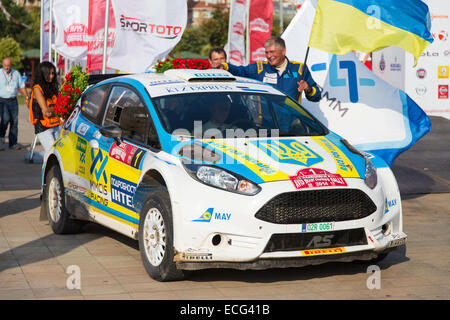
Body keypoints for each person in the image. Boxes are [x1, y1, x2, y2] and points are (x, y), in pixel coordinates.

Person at [222, 36, 321, 103]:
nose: (269, 56)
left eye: (272, 52)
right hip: (267, 126)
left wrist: (308, 89)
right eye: (267, 52)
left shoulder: (300, 69)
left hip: (293, 126)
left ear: (283, 51)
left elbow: (317, 96)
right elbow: (240, 71)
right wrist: (226, 67)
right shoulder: (260, 68)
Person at [29, 61, 62, 156]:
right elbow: (46, 112)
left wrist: (55, 110)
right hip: (42, 126)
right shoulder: (37, 88)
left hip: (55, 124)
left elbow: (57, 108)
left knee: (58, 151)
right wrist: (59, 109)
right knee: (51, 150)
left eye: (53, 73)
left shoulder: (53, 86)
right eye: (49, 74)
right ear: (42, 74)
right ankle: (47, 171)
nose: (51, 76)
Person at [0, 57, 29, 150]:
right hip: (2, 101)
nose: (7, 67)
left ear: (11, 65)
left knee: (14, 121)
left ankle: (13, 143)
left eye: (8, 65)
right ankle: (1, 138)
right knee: (5, 120)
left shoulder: (16, 73)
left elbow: (22, 86)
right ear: (2, 65)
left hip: (13, 100)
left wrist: (26, 97)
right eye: (5, 65)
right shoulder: (0, 73)